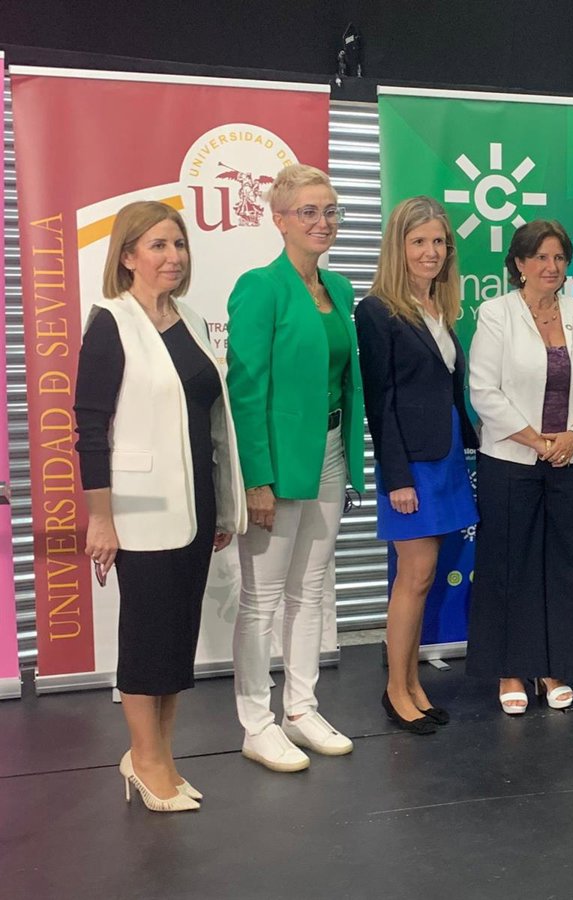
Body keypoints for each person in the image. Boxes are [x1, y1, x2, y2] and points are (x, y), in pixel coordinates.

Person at [75, 201, 246, 812]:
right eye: (158, 245)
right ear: (127, 256)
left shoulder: (191, 319)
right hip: (140, 509)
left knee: (176, 637)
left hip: (196, 503)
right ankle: (145, 761)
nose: (173, 256)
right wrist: (100, 518)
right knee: (147, 636)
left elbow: (211, 419)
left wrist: (222, 506)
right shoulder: (111, 322)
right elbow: (90, 430)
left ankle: (160, 756)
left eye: (179, 244)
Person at [227, 164, 365, 770]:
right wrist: (255, 477)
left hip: (330, 452)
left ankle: (301, 709)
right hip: (279, 462)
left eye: (330, 211)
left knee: (311, 589)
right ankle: (256, 722)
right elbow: (246, 389)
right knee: (262, 598)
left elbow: (344, 379)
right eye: (308, 211)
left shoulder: (339, 287)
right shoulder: (260, 287)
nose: (322, 222)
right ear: (279, 219)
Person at [467, 220, 573, 714]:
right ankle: (511, 668)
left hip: (572, 458)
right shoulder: (496, 314)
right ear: (519, 264)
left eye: (560, 258)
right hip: (511, 460)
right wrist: (536, 441)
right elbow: (484, 391)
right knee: (511, 564)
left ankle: (554, 666)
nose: (552, 267)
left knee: (565, 565)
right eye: (541, 257)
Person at [355, 197, 478, 734]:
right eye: (419, 241)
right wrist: (397, 478)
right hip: (410, 464)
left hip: (445, 455)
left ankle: (412, 684)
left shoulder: (439, 308)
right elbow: (380, 402)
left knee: (424, 578)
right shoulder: (376, 310)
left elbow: (446, 389)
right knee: (414, 575)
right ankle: (395, 690)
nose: (431, 252)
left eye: (438, 242)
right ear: (398, 247)